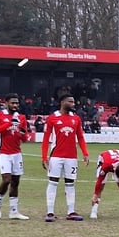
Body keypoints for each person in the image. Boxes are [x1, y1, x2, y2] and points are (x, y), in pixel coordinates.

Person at [41, 93, 90, 222]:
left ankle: (71, 211)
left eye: (74, 102)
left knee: (70, 183)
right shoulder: (52, 118)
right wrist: (44, 156)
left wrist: (85, 153)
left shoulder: (76, 119)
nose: (74, 104)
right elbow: (46, 139)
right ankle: (50, 212)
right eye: (71, 101)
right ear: (63, 102)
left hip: (71, 157)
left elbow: (80, 137)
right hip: (56, 156)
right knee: (53, 182)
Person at [0, 93, 33, 220]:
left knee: (15, 182)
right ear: (6, 103)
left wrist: (23, 133)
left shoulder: (21, 117)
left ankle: (14, 211)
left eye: (17, 103)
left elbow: (24, 138)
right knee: (6, 180)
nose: (15, 105)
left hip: (16, 153)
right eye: (13, 103)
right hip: (3, 152)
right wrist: (8, 124)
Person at [90, 149, 119, 219]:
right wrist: (95, 194)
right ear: (114, 169)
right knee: (101, 186)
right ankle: (94, 211)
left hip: (116, 161)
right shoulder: (106, 165)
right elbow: (100, 180)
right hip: (103, 160)